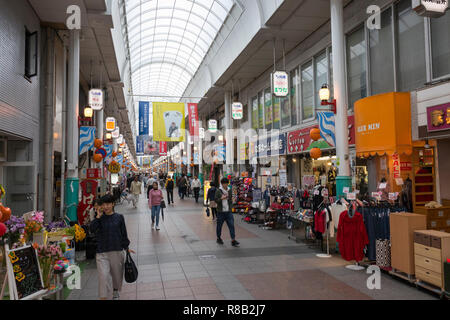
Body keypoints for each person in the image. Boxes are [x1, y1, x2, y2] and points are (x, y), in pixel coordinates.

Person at [90, 194, 134, 300]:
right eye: (104, 204)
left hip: (116, 250)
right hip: (102, 252)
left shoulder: (119, 217)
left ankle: (115, 291)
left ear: (113, 204)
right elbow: (92, 230)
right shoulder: (99, 218)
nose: (106, 206)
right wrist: (98, 216)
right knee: (103, 277)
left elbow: (123, 233)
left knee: (117, 275)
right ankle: (103, 297)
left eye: (108, 204)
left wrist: (126, 247)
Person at [214, 178, 240, 247]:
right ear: (222, 184)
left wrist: (231, 204)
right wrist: (221, 199)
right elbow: (216, 200)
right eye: (225, 183)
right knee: (219, 226)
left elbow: (231, 200)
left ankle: (233, 240)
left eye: (227, 183)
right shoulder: (218, 191)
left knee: (231, 225)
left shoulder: (229, 190)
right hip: (221, 212)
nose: (226, 185)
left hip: (228, 212)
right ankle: (218, 238)